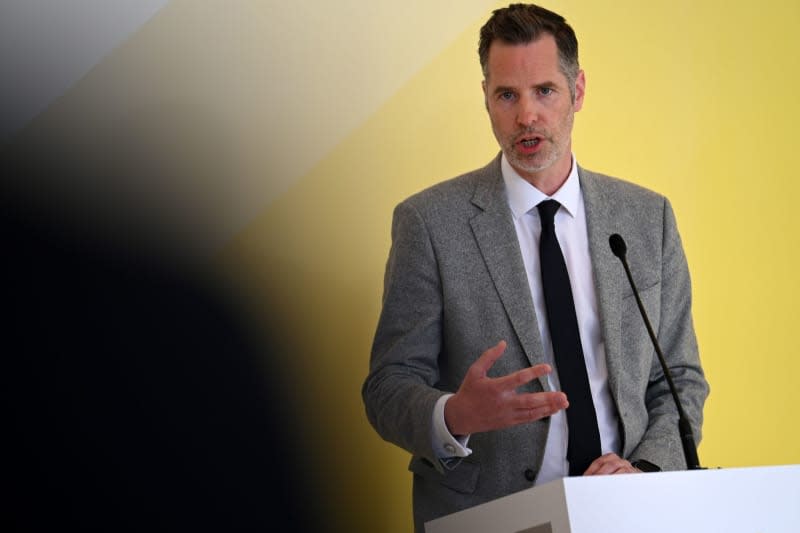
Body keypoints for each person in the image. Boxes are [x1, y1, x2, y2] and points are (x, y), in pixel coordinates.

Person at [362, 3, 709, 531]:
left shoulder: (646, 218)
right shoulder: (429, 223)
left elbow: (678, 378)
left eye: (544, 91)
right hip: (489, 514)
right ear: (486, 99)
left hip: (625, 509)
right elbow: (388, 386)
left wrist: (643, 470)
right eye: (507, 95)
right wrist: (454, 414)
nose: (526, 116)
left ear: (579, 91)